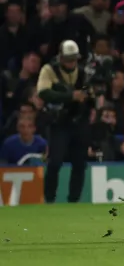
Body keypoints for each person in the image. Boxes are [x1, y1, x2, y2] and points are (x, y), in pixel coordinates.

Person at [38, 40, 92, 203]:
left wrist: (87, 97)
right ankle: (49, 199)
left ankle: (74, 200)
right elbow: (43, 93)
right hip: (59, 122)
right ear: (60, 58)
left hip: (79, 121)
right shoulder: (49, 70)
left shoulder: (83, 73)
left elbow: (89, 94)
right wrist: (70, 96)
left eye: (74, 59)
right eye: (68, 59)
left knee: (80, 163)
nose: (71, 63)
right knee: (55, 162)